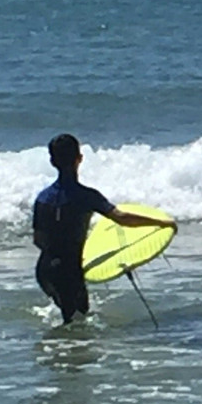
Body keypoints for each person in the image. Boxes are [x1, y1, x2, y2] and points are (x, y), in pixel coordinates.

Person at [32, 134, 176, 324]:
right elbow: (121, 218)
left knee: (67, 318)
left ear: (52, 161)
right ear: (79, 159)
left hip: (44, 271)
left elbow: (38, 240)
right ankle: (69, 351)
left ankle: (57, 349)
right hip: (69, 272)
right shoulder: (87, 196)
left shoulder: (42, 198)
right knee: (76, 324)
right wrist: (161, 223)